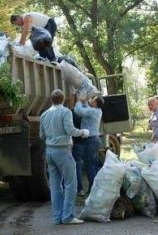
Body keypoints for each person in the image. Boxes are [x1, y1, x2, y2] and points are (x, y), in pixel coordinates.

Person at [39, 89, 89, 225]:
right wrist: (83, 132)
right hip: (63, 151)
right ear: (63, 99)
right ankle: (67, 216)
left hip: (49, 152)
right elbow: (70, 130)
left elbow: (41, 136)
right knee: (70, 184)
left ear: (51, 100)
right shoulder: (65, 112)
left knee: (55, 186)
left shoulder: (44, 115)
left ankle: (57, 217)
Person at [73, 94, 104, 195]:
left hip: (91, 140)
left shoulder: (93, 111)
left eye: (93, 100)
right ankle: (91, 187)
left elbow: (79, 111)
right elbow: (86, 107)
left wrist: (78, 101)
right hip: (92, 140)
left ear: (96, 103)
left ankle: (92, 188)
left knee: (90, 165)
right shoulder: (95, 110)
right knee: (91, 164)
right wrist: (84, 100)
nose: (91, 101)